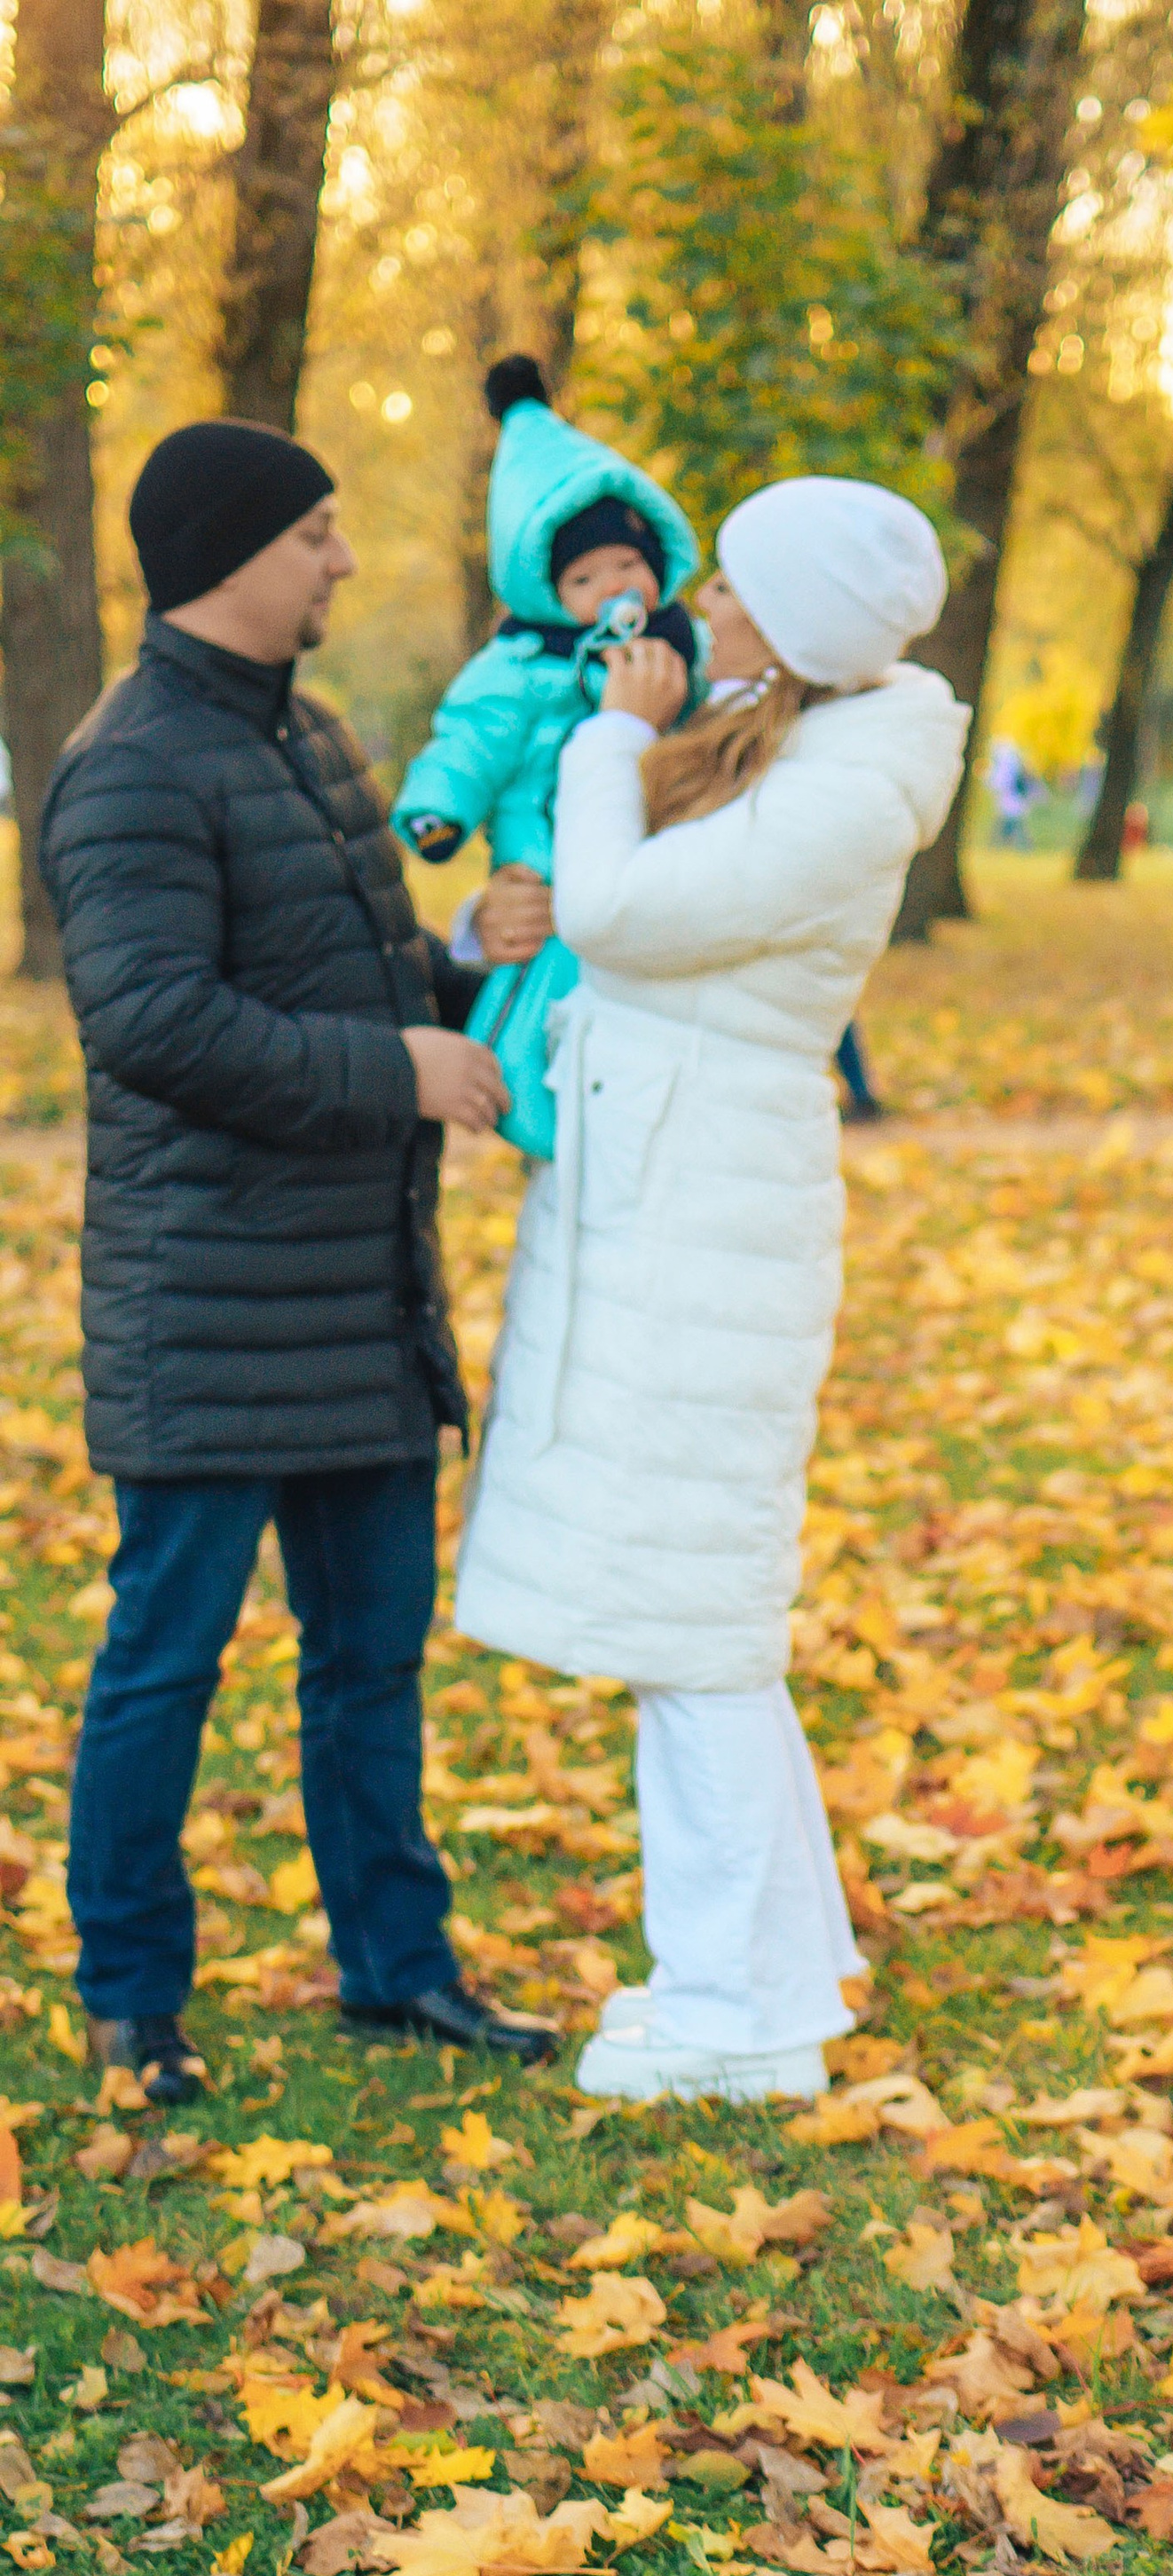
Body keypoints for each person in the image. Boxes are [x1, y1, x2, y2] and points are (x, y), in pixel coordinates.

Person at [39, 420, 562, 2103]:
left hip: (358, 1295)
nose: (341, 559)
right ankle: (131, 1995)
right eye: (316, 533)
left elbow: (358, 972)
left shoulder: (314, 736)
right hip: (207, 1304)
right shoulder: (128, 765)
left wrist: (465, 965)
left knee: (370, 1662)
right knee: (166, 1661)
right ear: (230, 553)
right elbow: (151, 1021)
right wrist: (396, 1070)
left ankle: (398, 1970)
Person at [451, 477, 968, 2102]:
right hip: (676, 1192)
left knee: (695, 1621)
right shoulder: (799, 741)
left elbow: (613, 912)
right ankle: (780, 1967)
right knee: (695, 1613)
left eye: (736, 587)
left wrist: (612, 736)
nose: (705, 604)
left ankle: (738, 2015)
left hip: (708, 1211)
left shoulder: (843, 789)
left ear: (797, 628)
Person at [391, 359, 702, 1156]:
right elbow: (471, 737)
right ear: (541, 585)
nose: (614, 588)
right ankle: (528, 1105)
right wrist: (440, 807)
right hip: (545, 856)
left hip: (660, 871)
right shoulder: (520, 666)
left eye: (630, 566)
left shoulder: (686, 647)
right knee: (540, 993)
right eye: (585, 576)